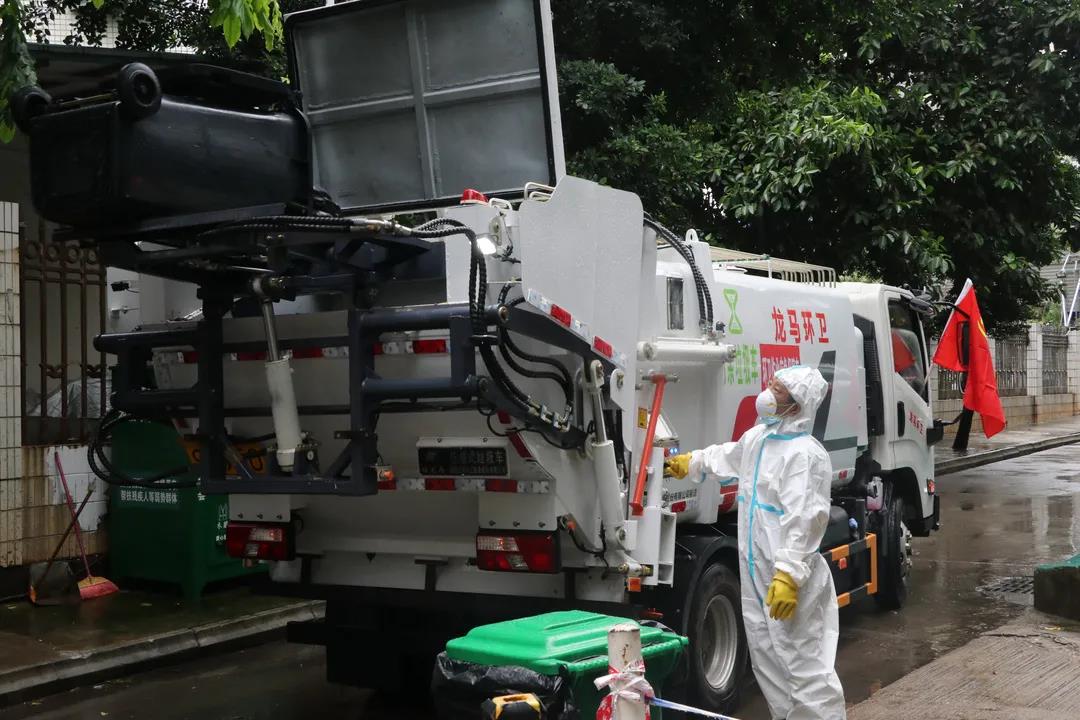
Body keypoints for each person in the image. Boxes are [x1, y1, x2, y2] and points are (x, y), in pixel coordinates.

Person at [665, 365, 846, 720]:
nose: (768, 392)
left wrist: (789, 575)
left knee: (803, 666)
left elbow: (806, 520)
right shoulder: (760, 439)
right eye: (772, 383)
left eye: (777, 389)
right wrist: (693, 463)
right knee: (769, 661)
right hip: (757, 576)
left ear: (796, 404)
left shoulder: (805, 456)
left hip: (788, 580)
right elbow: (730, 455)